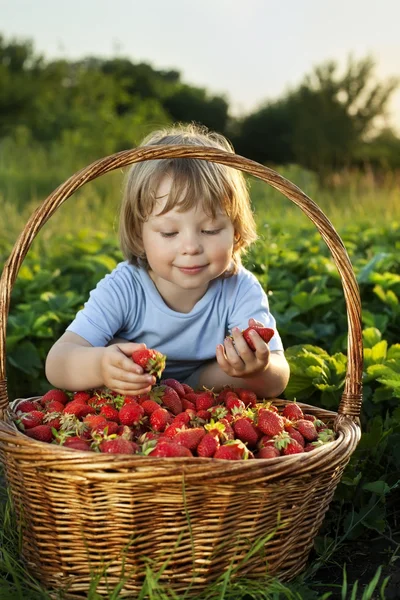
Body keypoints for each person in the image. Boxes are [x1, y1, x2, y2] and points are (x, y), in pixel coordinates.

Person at [45, 123, 290, 398]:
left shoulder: (239, 288)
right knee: (107, 352)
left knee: (232, 375)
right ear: (140, 235)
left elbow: (278, 379)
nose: (191, 247)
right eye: (169, 232)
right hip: (134, 396)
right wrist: (102, 366)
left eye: (210, 230)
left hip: (205, 392)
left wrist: (258, 368)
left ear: (236, 232)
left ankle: (191, 396)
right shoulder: (125, 287)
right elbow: (57, 362)